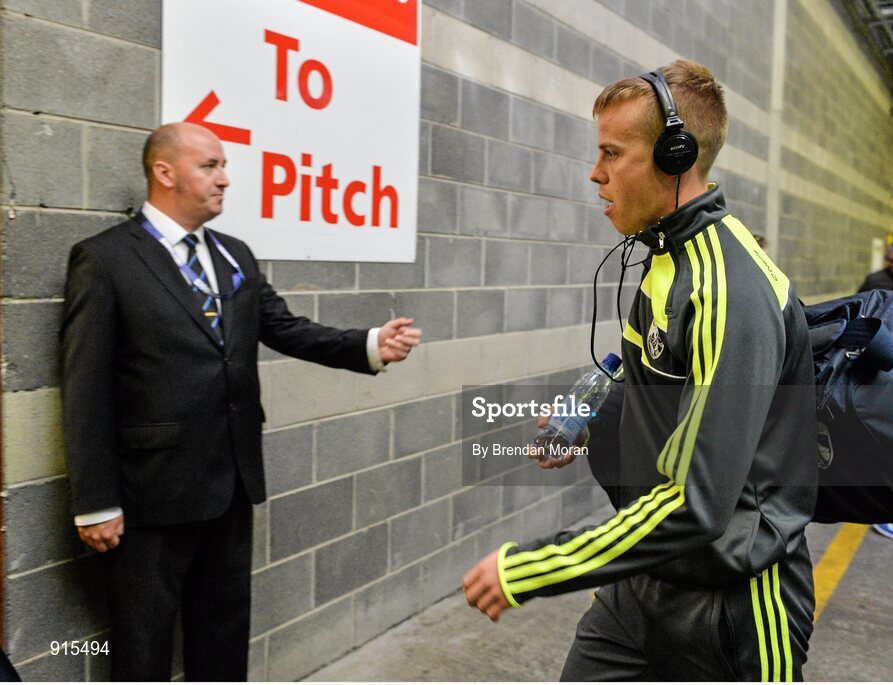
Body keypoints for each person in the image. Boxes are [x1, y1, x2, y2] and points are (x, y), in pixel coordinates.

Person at [463, 60, 818, 680]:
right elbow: (633, 372)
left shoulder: (730, 291)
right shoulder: (662, 261)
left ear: (675, 155)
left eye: (612, 153)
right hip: (643, 579)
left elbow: (695, 503)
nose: (595, 174)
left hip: (735, 608)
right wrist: (584, 419)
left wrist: (530, 569)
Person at [60, 122, 422, 680]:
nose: (225, 178)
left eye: (223, 165)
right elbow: (85, 387)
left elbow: (283, 327)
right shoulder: (106, 260)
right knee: (142, 648)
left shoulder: (234, 255)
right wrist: (95, 501)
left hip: (228, 484)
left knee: (223, 637)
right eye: (210, 166)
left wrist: (370, 345)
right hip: (149, 495)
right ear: (164, 172)